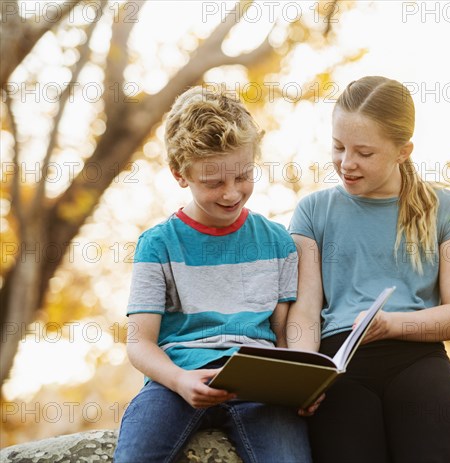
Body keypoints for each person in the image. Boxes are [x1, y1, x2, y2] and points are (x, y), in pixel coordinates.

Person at [287, 76, 450, 463]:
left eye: (364, 152)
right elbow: (306, 308)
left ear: (402, 151)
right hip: (338, 364)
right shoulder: (312, 212)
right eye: (338, 147)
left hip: (418, 358)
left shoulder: (448, 210)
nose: (347, 163)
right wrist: (304, 377)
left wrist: (392, 324)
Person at [114, 87, 312, 463]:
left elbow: (284, 334)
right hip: (176, 381)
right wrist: (178, 380)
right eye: (214, 183)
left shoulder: (277, 242)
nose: (232, 193)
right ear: (179, 175)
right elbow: (140, 343)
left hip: (259, 387)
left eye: (243, 176)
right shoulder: (158, 244)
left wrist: (300, 385)